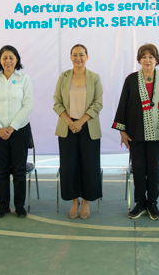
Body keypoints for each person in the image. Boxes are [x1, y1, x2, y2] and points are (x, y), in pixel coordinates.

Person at [112, 43, 159, 220]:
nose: (147, 60)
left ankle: (152, 203)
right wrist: (122, 132)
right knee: (138, 168)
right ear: (139, 60)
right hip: (135, 131)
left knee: (153, 169)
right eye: (144, 57)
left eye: (151, 57)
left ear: (156, 59)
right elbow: (123, 106)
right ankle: (139, 203)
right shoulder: (131, 79)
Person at [53, 44, 103, 219]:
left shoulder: (94, 77)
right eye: (74, 55)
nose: (78, 58)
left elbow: (98, 103)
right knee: (69, 166)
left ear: (87, 56)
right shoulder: (64, 77)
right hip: (67, 128)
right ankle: (75, 201)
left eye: (81, 54)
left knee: (90, 166)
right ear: (70, 57)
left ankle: (87, 201)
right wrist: (70, 122)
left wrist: (80, 121)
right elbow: (57, 102)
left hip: (88, 127)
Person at [0, 45, 34, 219]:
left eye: (11, 57)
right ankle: (4, 206)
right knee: (3, 170)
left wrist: (12, 127)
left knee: (19, 170)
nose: (8, 61)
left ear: (17, 60)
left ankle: (19, 205)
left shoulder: (24, 78)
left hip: (19, 131)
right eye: (4, 58)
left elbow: (28, 105)